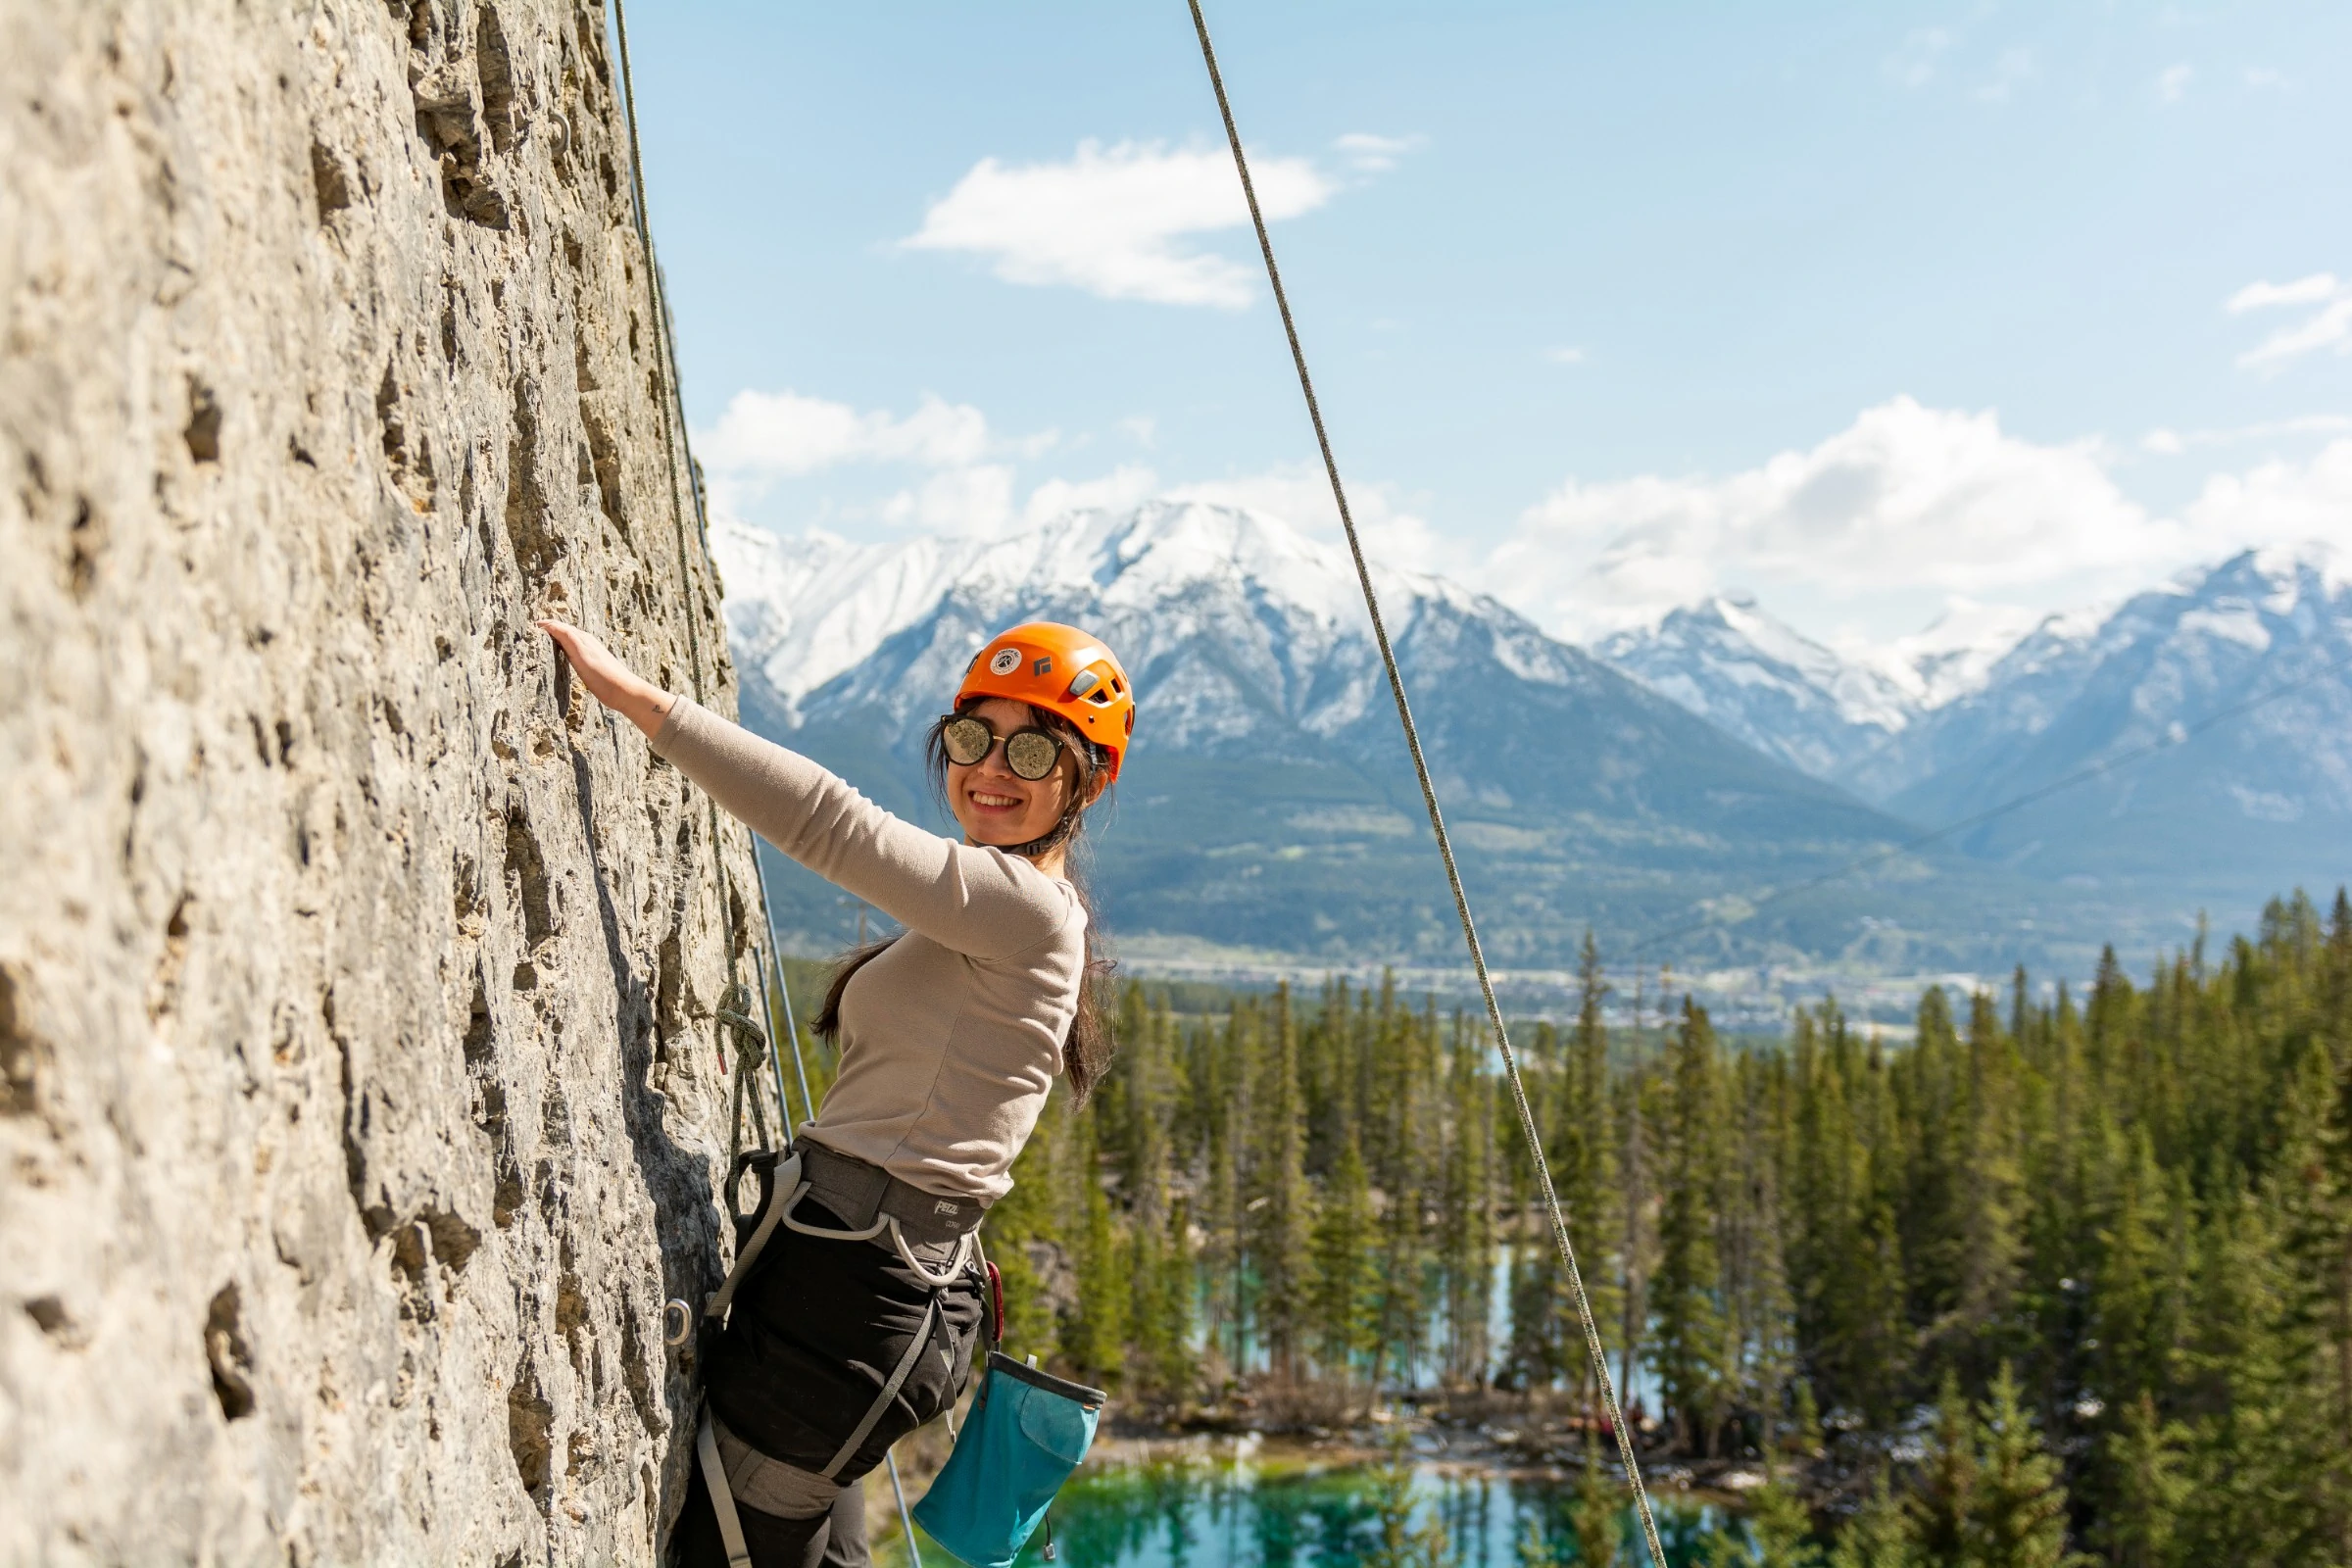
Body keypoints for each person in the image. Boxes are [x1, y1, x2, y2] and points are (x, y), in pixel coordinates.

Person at [536, 616, 1136, 1568]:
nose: (992, 766)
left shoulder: (1022, 909)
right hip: (860, 1280)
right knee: (804, 1547)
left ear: (1087, 781)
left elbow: (830, 821)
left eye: (1033, 748)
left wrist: (641, 702)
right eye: (974, 736)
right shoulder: (998, 906)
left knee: (732, 1547)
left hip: (862, 1296)